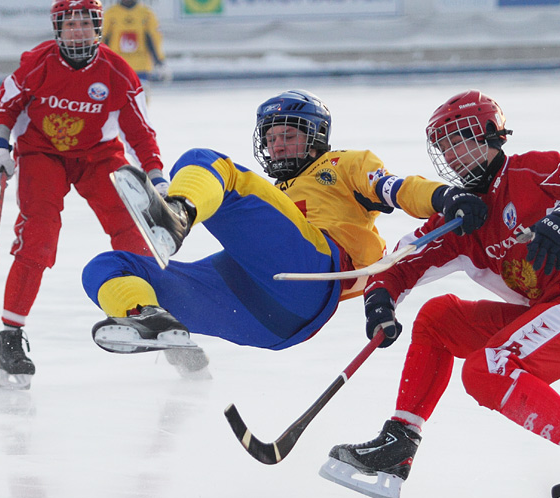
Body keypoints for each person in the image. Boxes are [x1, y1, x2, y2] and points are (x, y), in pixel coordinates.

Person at [320, 90, 560, 498]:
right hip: (545, 312)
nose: (452, 154)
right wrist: (380, 300)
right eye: (444, 146)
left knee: (486, 369)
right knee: (439, 319)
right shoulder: (463, 217)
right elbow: (400, 261)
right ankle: (399, 443)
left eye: (460, 138)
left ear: (493, 135)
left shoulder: (535, 170)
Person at [81, 89, 475, 376]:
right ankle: (151, 319)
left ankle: (178, 214)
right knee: (108, 266)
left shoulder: (343, 164)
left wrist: (443, 196)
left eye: (289, 135)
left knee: (208, 164)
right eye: (271, 139)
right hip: (263, 317)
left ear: (316, 135)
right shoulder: (272, 196)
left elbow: (398, 187)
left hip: (309, 278)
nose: (278, 146)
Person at [0, 0, 166, 390]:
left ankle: (146, 312)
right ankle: (10, 337)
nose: (78, 31)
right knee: (38, 234)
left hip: (98, 156)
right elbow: (5, 103)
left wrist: (155, 173)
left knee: (130, 226)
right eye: (70, 24)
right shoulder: (36, 63)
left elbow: (139, 131)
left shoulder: (117, 71)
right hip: (42, 153)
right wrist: (0, 143)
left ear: (98, 27)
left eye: (85, 24)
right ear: (58, 29)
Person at [102, 0, 169, 98]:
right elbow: (103, 39)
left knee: (141, 100)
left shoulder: (146, 13)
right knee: (119, 100)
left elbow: (154, 39)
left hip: (141, 65)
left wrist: (159, 61)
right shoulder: (110, 13)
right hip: (118, 66)